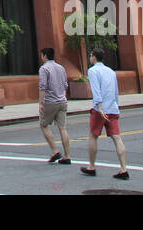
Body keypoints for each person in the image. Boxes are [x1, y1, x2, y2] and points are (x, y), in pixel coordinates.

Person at [81, 48, 129, 181]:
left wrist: (99, 107)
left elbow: (96, 90)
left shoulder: (92, 71)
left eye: (90, 56)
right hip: (112, 108)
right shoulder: (111, 71)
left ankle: (91, 166)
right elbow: (115, 91)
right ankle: (123, 168)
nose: (90, 58)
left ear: (94, 57)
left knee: (93, 136)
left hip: (100, 109)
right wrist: (116, 106)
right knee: (117, 138)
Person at [38, 47, 71, 164]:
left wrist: (41, 103)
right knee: (62, 128)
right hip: (62, 101)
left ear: (45, 56)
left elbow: (43, 86)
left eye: (42, 55)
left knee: (43, 125)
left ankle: (55, 151)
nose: (41, 57)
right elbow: (65, 85)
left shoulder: (44, 68)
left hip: (51, 102)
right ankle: (67, 156)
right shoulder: (61, 67)